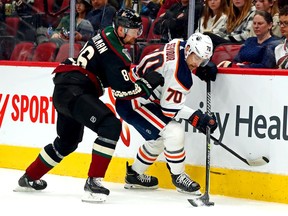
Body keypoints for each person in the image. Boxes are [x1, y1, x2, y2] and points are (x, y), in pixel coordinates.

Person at [14, 8, 164, 203]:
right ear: (121, 30)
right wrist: (148, 83)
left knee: (67, 142)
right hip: (76, 90)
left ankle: (29, 177)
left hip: (65, 89)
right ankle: (94, 182)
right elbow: (123, 91)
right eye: (135, 31)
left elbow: (111, 71)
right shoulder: (116, 53)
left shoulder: (106, 33)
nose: (138, 35)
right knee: (110, 126)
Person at [115, 33, 218, 194]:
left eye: (202, 60)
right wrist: (196, 117)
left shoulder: (179, 43)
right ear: (189, 49)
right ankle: (178, 176)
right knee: (173, 132)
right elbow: (169, 109)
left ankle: (134, 175)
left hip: (137, 93)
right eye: (196, 58)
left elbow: (171, 67)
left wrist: (198, 70)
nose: (197, 63)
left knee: (158, 139)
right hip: (134, 101)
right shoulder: (179, 75)